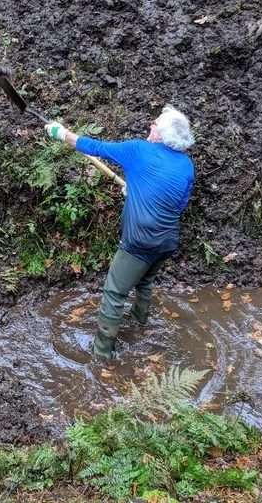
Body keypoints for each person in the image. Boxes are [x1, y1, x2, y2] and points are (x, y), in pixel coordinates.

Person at [45, 106, 195, 359]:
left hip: (140, 243)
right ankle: (139, 327)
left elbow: (96, 147)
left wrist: (61, 133)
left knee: (114, 293)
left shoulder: (139, 150)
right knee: (145, 283)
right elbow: (177, 205)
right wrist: (137, 190)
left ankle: (101, 355)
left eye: (155, 123)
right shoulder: (187, 165)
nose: (151, 123)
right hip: (167, 242)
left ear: (161, 134)